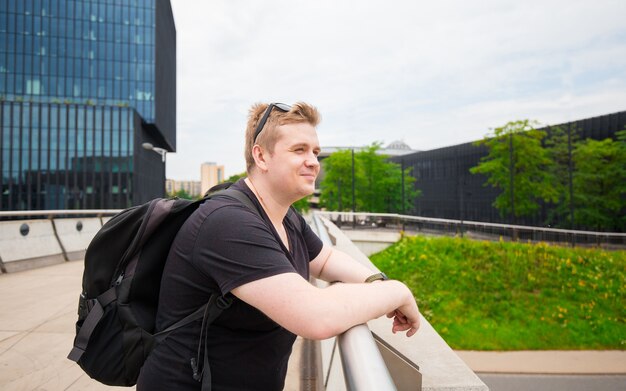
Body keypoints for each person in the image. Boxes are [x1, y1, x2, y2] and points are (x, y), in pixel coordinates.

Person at [137, 102, 421, 390]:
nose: (313, 161)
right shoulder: (228, 223)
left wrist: (376, 281)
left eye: (315, 152)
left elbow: (323, 259)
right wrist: (397, 291)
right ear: (261, 156)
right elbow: (316, 316)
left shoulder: (284, 215)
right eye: (299, 150)